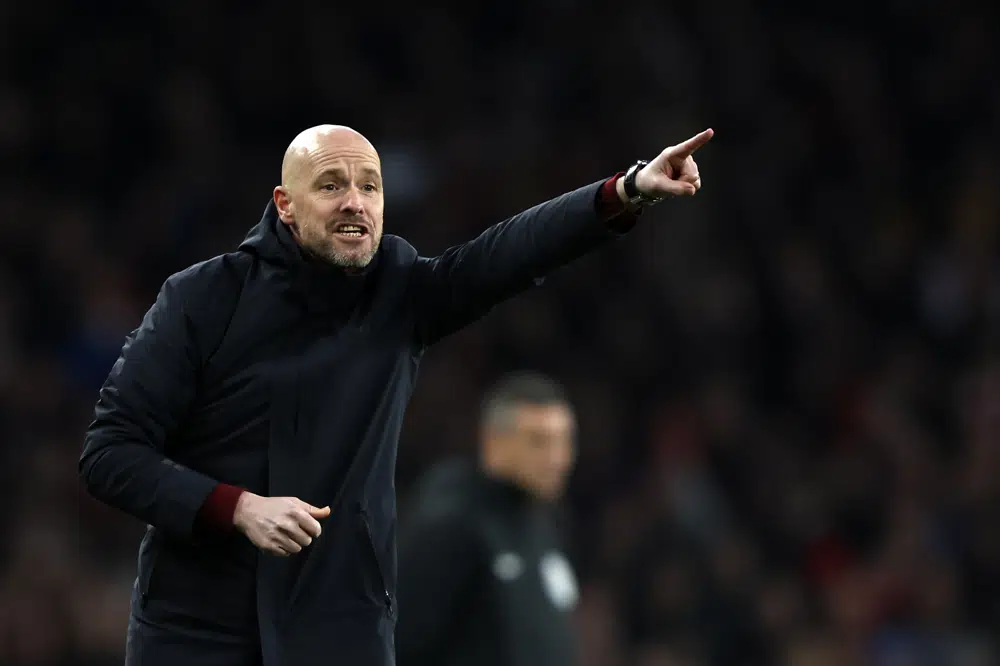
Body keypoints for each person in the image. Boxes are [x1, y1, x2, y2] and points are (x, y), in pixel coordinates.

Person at [78, 123, 713, 666]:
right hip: (196, 635)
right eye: (331, 185)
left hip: (341, 633)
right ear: (285, 204)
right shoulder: (201, 298)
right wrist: (237, 507)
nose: (355, 201)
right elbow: (110, 454)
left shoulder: (398, 292)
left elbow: (504, 257)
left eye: (370, 187)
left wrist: (625, 192)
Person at [396, 372, 582, 666]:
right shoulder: (452, 520)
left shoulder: (544, 521)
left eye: (564, 440)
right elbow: (404, 641)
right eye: (539, 441)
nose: (558, 457)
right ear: (494, 440)